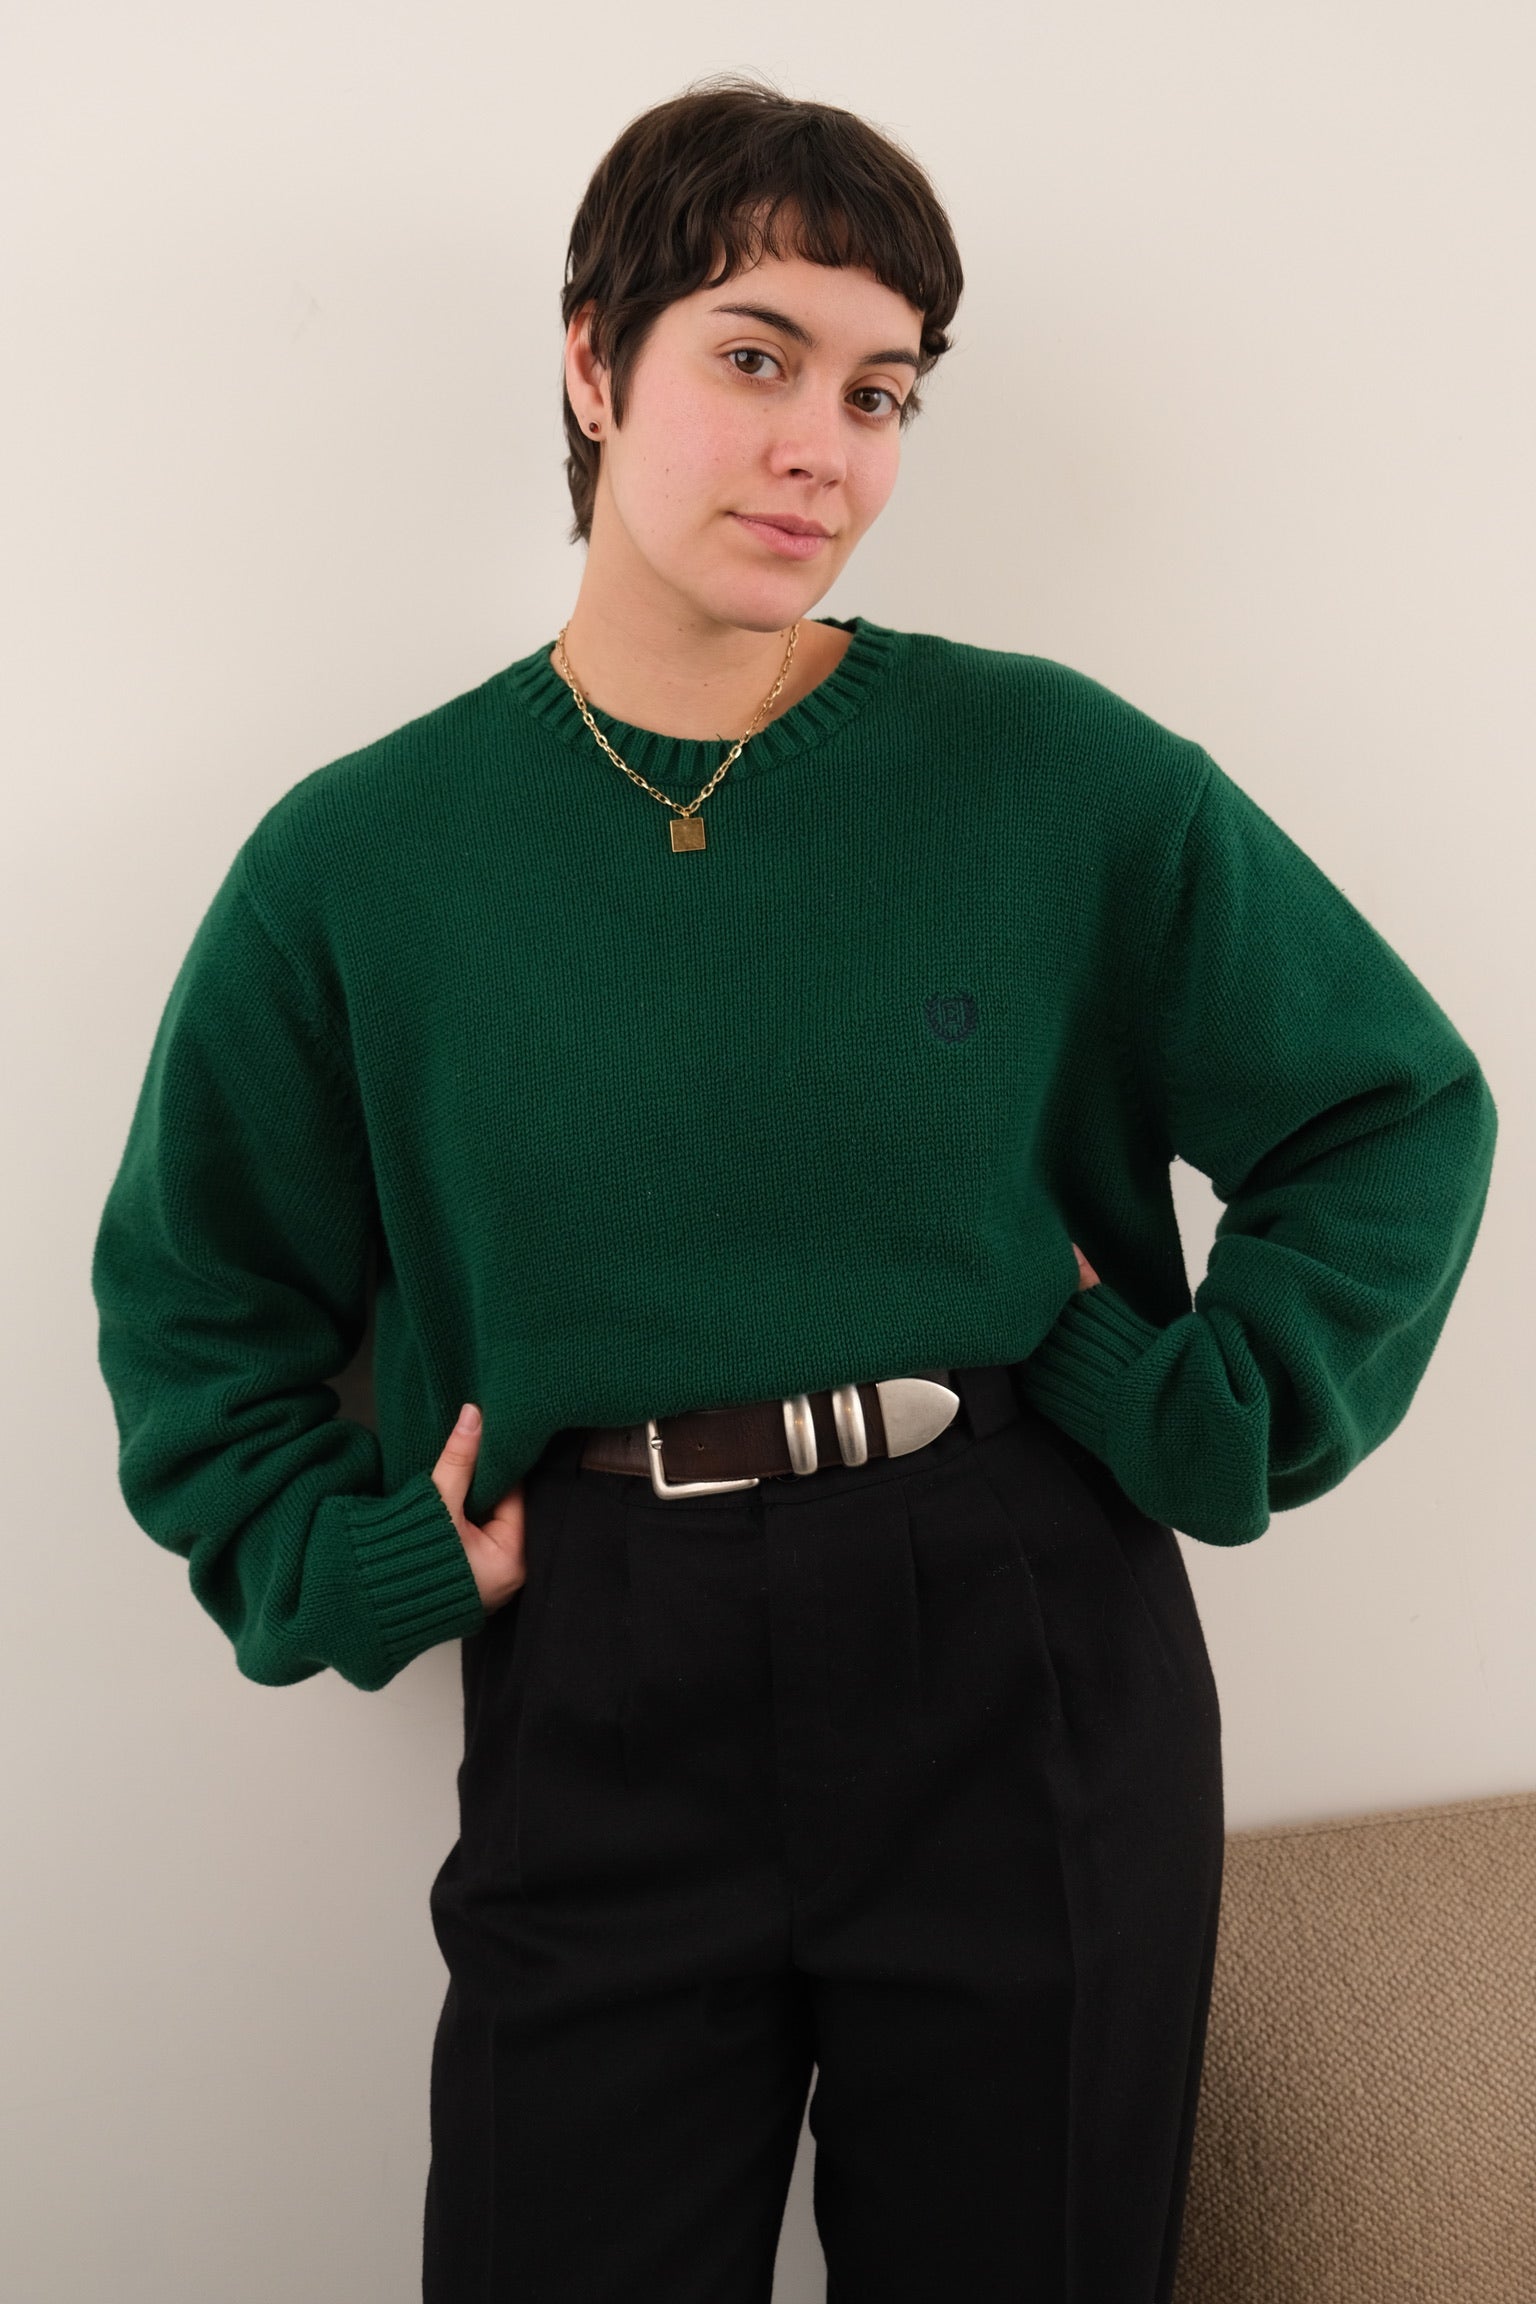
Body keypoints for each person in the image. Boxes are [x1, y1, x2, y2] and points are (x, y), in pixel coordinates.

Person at [90, 72, 1498, 2304]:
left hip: (1024, 1630)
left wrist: (1191, 1405)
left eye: (879, 390)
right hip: (599, 1655)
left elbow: (1393, 1109)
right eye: (755, 357)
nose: (819, 447)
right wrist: (356, 1563)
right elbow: (197, 1307)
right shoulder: (362, 860)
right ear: (593, 361)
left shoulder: (1052, 772)